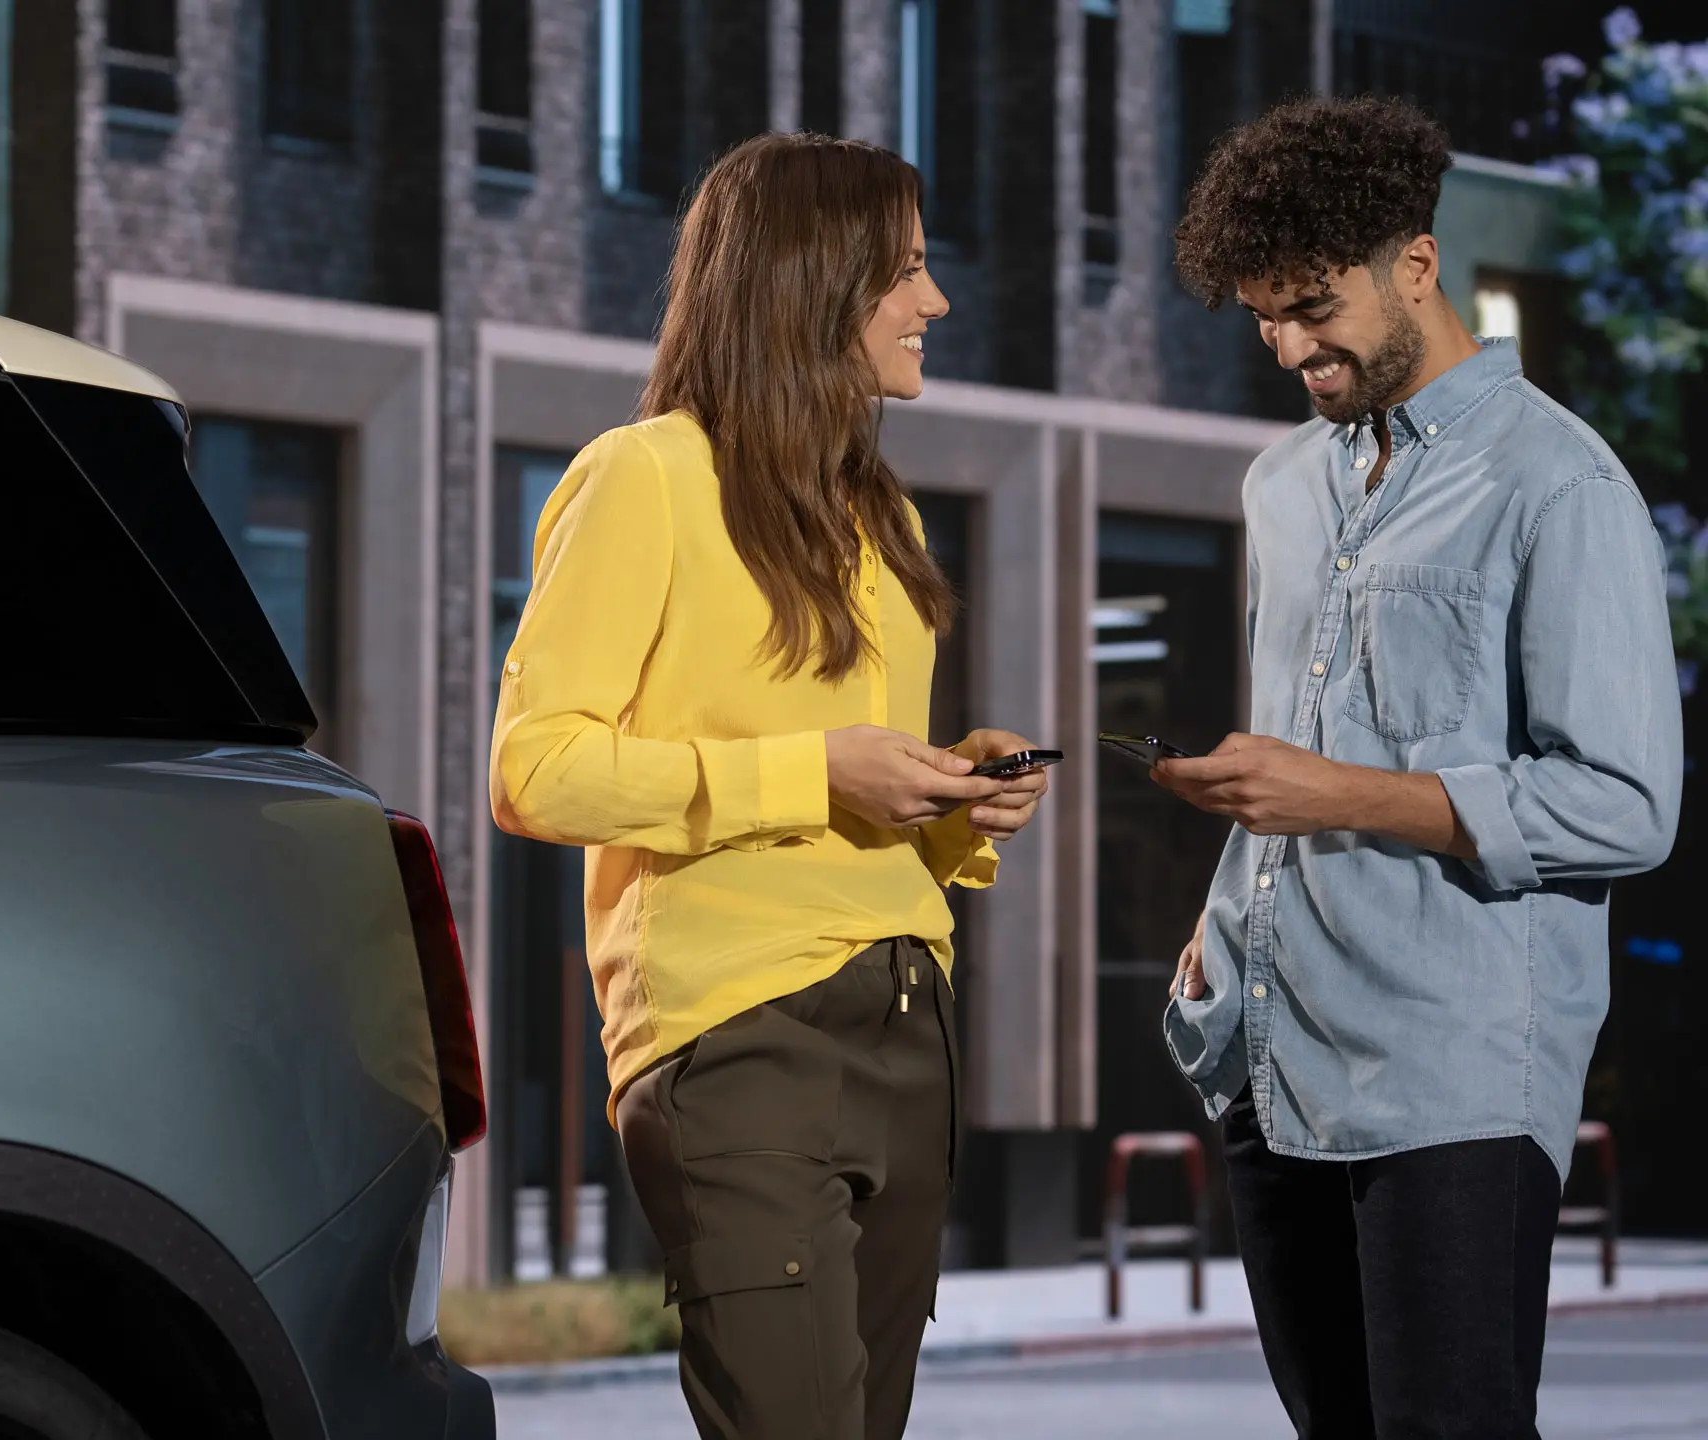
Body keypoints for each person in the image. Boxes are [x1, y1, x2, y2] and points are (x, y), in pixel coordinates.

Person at [488, 132, 1049, 1440]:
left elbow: (851, 787)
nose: (936, 303)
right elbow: (536, 768)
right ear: (813, 282)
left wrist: (957, 802)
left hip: (913, 1020)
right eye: (905, 272)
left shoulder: (883, 518)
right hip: (742, 1036)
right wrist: (814, 771)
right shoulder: (645, 479)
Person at [1154, 94, 1684, 1437]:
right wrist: (1224, 921)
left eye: (1314, 308)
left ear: (1417, 265)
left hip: (1452, 1067)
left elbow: (1627, 804)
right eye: (1265, 317)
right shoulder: (1281, 487)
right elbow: (1302, 741)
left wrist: (1333, 796)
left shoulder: (1559, 487)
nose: (1290, 348)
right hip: (1272, 1050)